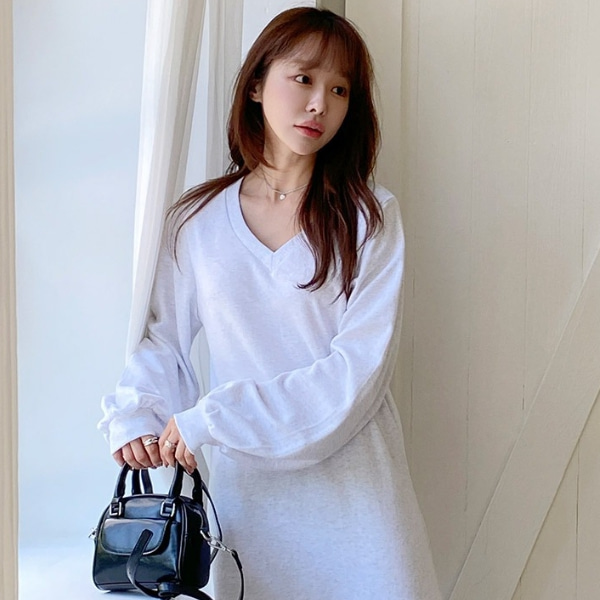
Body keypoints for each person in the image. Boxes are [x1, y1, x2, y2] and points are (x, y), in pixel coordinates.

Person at [99, 7, 442, 600]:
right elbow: (164, 341)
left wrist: (214, 418)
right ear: (257, 84)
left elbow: (357, 374)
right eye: (303, 78)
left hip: (359, 506)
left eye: (340, 89)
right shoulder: (199, 220)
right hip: (249, 514)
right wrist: (138, 415)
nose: (319, 104)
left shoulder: (368, 216)